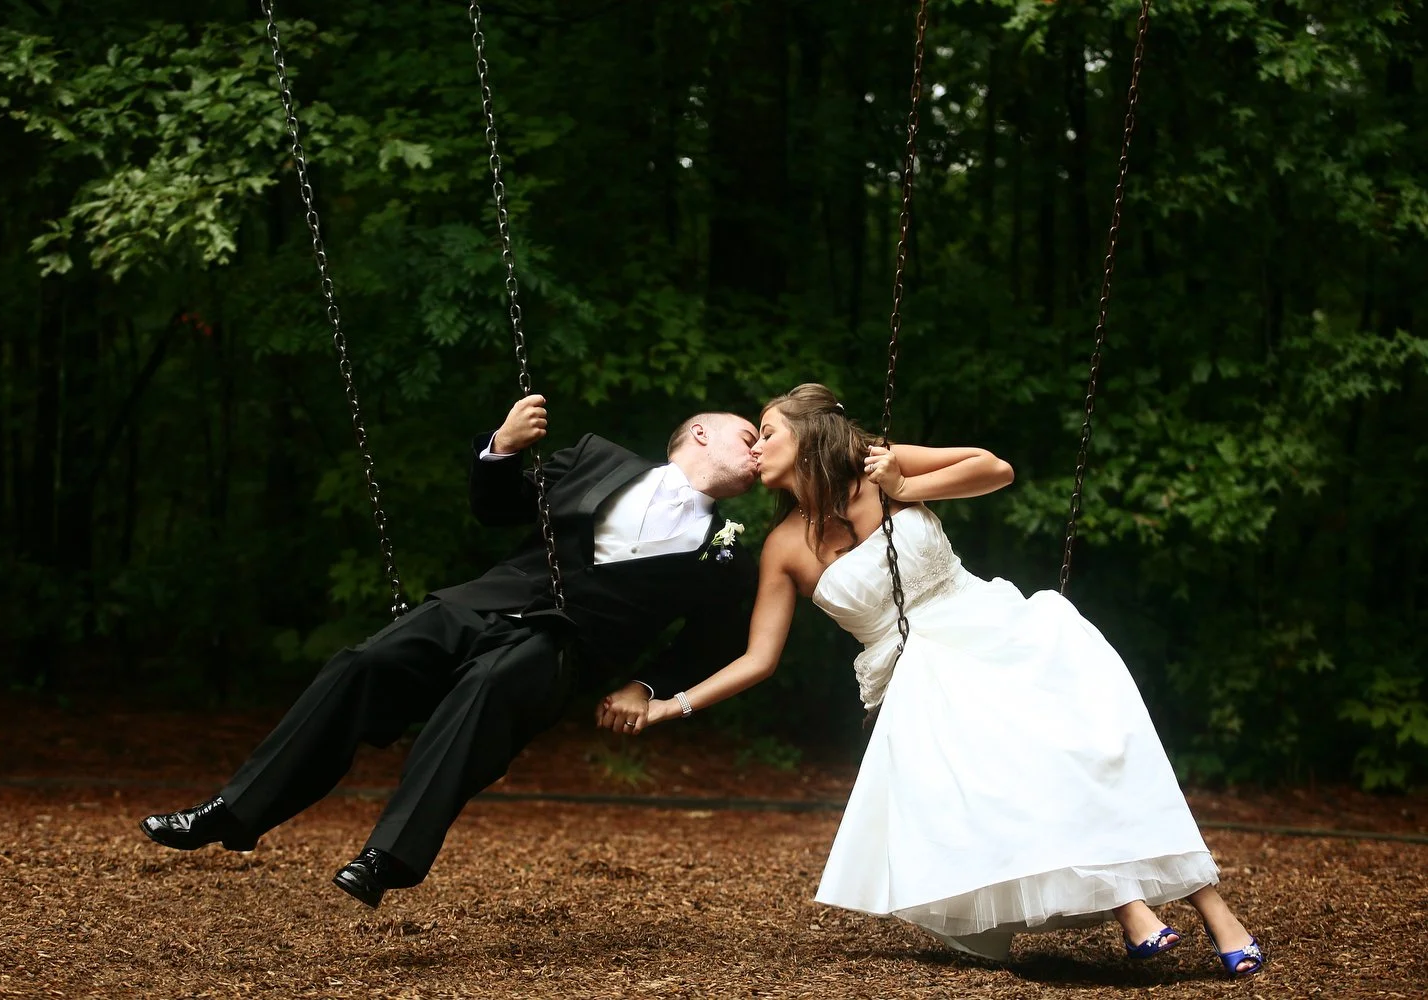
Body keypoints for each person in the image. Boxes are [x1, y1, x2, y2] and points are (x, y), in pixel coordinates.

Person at [620, 383, 1265, 976]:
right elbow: (759, 658)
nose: (757, 446)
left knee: (1095, 753)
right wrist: (666, 706)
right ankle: (1133, 910)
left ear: (810, 436)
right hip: (922, 686)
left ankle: (1212, 910)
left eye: (767, 431)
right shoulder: (783, 547)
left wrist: (906, 483)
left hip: (994, 631)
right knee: (1022, 755)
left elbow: (996, 469)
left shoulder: (878, 466)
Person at [141, 395, 762, 908]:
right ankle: (233, 811)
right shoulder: (598, 458)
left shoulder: (729, 552)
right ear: (700, 433)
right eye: (748, 435)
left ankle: (388, 855)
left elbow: (706, 643)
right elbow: (496, 507)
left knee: (489, 685)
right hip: (485, 602)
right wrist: (503, 446)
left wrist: (647, 687)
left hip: (565, 645)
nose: (759, 451)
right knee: (363, 664)